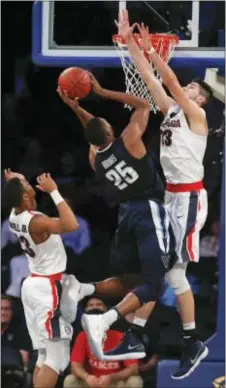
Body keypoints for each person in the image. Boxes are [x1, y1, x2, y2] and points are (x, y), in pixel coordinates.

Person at [114, 9, 211, 379]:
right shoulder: (172, 111)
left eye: (193, 89)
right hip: (171, 197)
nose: (186, 89)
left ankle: (175, 339)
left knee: (172, 271)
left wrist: (154, 50)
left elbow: (168, 79)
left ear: (200, 100)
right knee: (167, 271)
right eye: (188, 88)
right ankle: (154, 337)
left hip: (187, 198)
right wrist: (132, 43)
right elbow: (150, 79)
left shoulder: (198, 118)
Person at [57, 73, 177, 362]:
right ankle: (106, 319)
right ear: (110, 130)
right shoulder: (130, 140)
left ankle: (86, 288)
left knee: (133, 280)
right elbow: (142, 106)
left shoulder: (96, 159)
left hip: (126, 216)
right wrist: (100, 91)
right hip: (149, 211)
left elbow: (93, 132)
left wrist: (76, 108)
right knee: (157, 282)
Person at [2, 169, 95, 388]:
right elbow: (72, 225)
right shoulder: (37, 221)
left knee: (43, 354)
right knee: (55, 359)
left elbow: (19, 192)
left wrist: (16, 180)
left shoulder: (15, 217)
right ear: (24, 197)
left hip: (33, 285)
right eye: (28, 189)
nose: (33, 190)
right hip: (47, 287)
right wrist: (54, 192)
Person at [64, 296, 143, 388]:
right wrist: (87, 377)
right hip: (91, 382)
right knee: (70, 380)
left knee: (135, 381)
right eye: (91, 305)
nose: (95, 307)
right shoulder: (82, 336)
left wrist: (111, 377)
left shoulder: (122, 336)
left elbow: (133, 369)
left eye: (99, 305)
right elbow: (75, 366)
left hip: (115, 382)